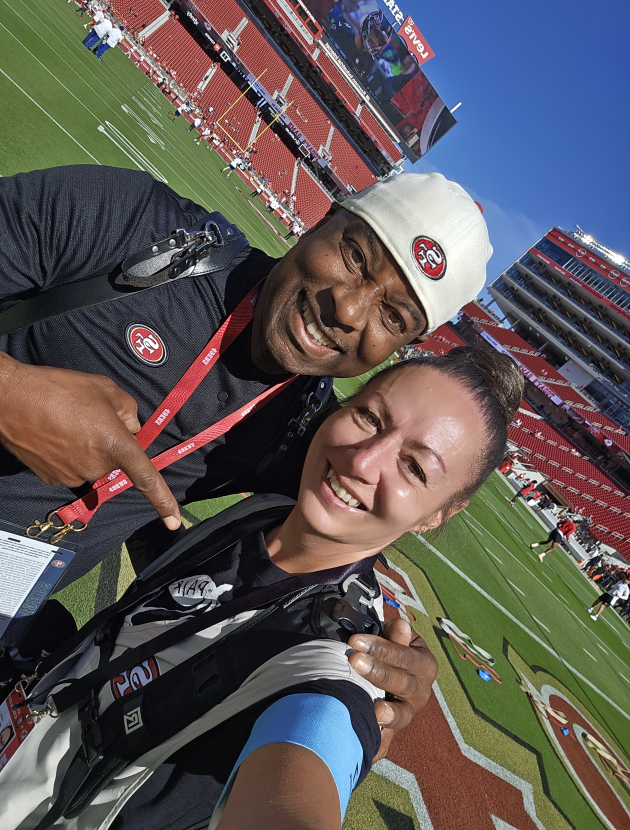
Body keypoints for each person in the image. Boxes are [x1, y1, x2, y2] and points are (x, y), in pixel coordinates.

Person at [0, 167, 490, 743]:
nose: (349, 310)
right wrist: (10, 394)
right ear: (327, 216)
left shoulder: (304, 428)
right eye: (356, 257)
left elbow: (333, 554)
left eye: (393, 317)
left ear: (405, 345)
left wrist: (391, 655)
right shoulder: (135, 224)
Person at [0, 348, 523, 830]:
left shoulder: (346, 663)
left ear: (439, 515)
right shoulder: (271, 508)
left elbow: (306, 767)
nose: (363, 461)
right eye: (369, 416)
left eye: (414, 467)